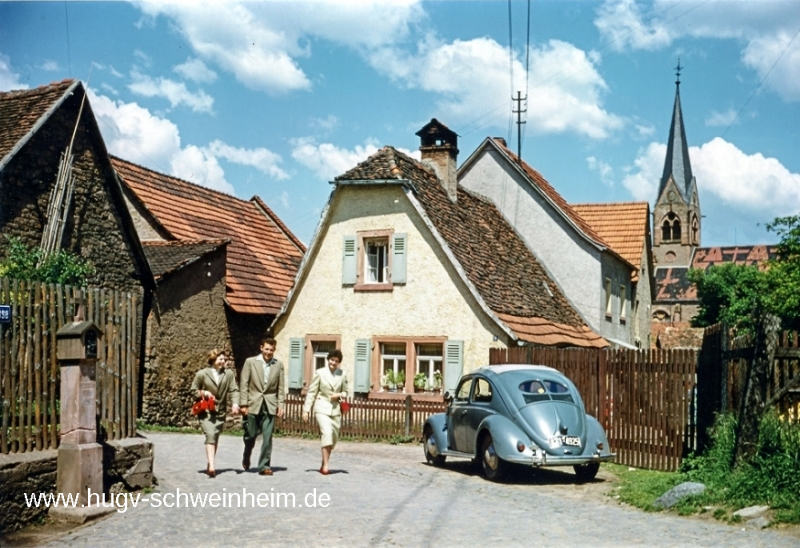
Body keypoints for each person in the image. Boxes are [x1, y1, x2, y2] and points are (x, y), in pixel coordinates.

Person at [238, 337, 285, 476]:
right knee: (251, 434)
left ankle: (264, 465)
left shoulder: (278, 365)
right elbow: (244, 384)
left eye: (271, 350)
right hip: (253, 402)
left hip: (270, 404)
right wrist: (244, 404)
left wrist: (280, 405)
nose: (268, 352)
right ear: (261, 348)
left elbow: (281, 387)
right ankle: (247, 453)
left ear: (274, 350)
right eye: (266, 349)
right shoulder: (250, 362)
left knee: (267, 436)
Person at [191, 349, 239, 478]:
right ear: (213, 359)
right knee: (210, 435)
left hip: (220, 412)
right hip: (206, 411)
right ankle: (212, 467)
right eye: (221, 359)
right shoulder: (202, 374)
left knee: (215, 437)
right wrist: (204, 393)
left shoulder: (228, 374)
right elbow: (193, 390)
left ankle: (210, 463)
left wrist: (235, 403)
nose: (223, 361)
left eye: (224, 359)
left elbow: (234, 390)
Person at [303, 349, 349, 475]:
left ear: (339, 362)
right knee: (327, 433)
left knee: (333, 437)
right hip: (321, 407)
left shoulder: (342, 374)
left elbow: (346, 392)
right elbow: (312, 392)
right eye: (331, 360)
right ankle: (326, 467)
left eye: (336, 361)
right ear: (328, 359)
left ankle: (324, 463)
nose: (333, 363)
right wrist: (306, 410)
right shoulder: (320, 373)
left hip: (335, 409)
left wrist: (339, 395)